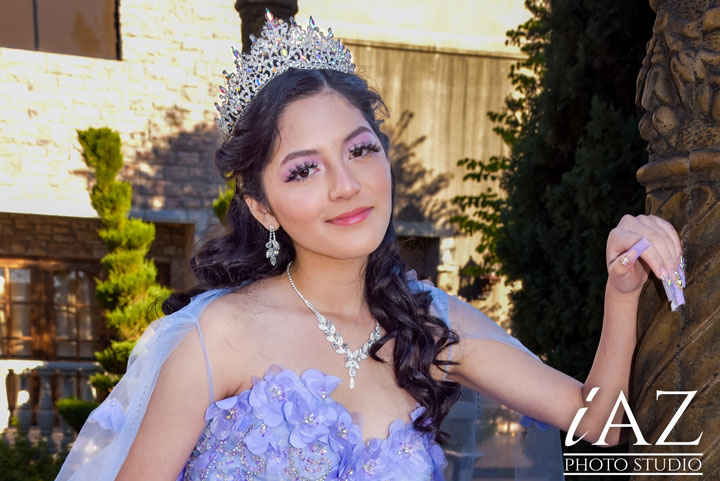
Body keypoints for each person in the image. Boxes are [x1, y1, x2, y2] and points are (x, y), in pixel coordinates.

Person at [55, 12, 686, 481]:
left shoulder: (430, 322)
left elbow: (592, 419)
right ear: (261, 207)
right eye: (304, 170)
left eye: (359, 150)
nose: (346, 185)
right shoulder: (219, 335)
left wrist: (622, 292)